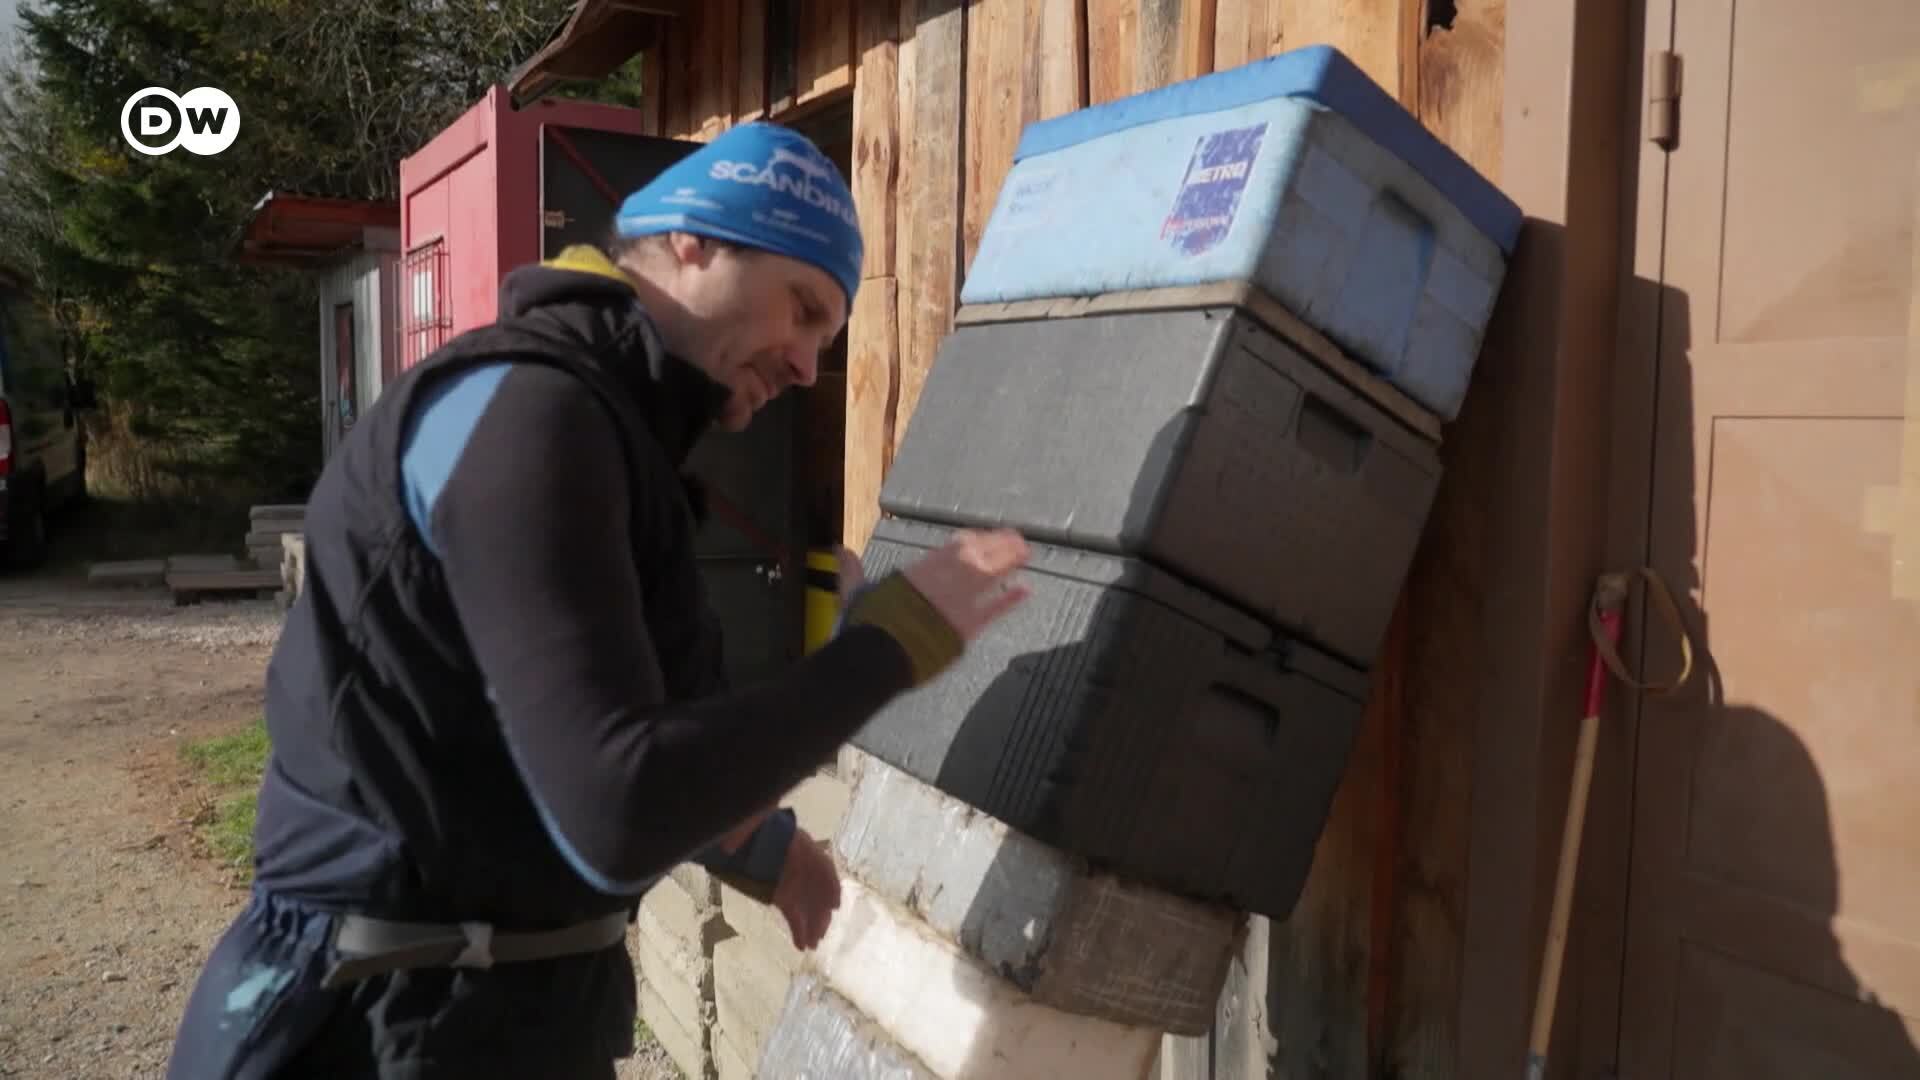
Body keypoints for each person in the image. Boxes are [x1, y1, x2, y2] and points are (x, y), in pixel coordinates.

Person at [165, 121, 1031, 1079]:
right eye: (803, 309)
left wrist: (763, 847)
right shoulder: (530, 416)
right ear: (695, 241)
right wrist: (888, 647)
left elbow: (584, 720)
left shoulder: (612, 436)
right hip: (379, 1026)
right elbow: (618, 808)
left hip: (484, 1008)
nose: (805, 367)